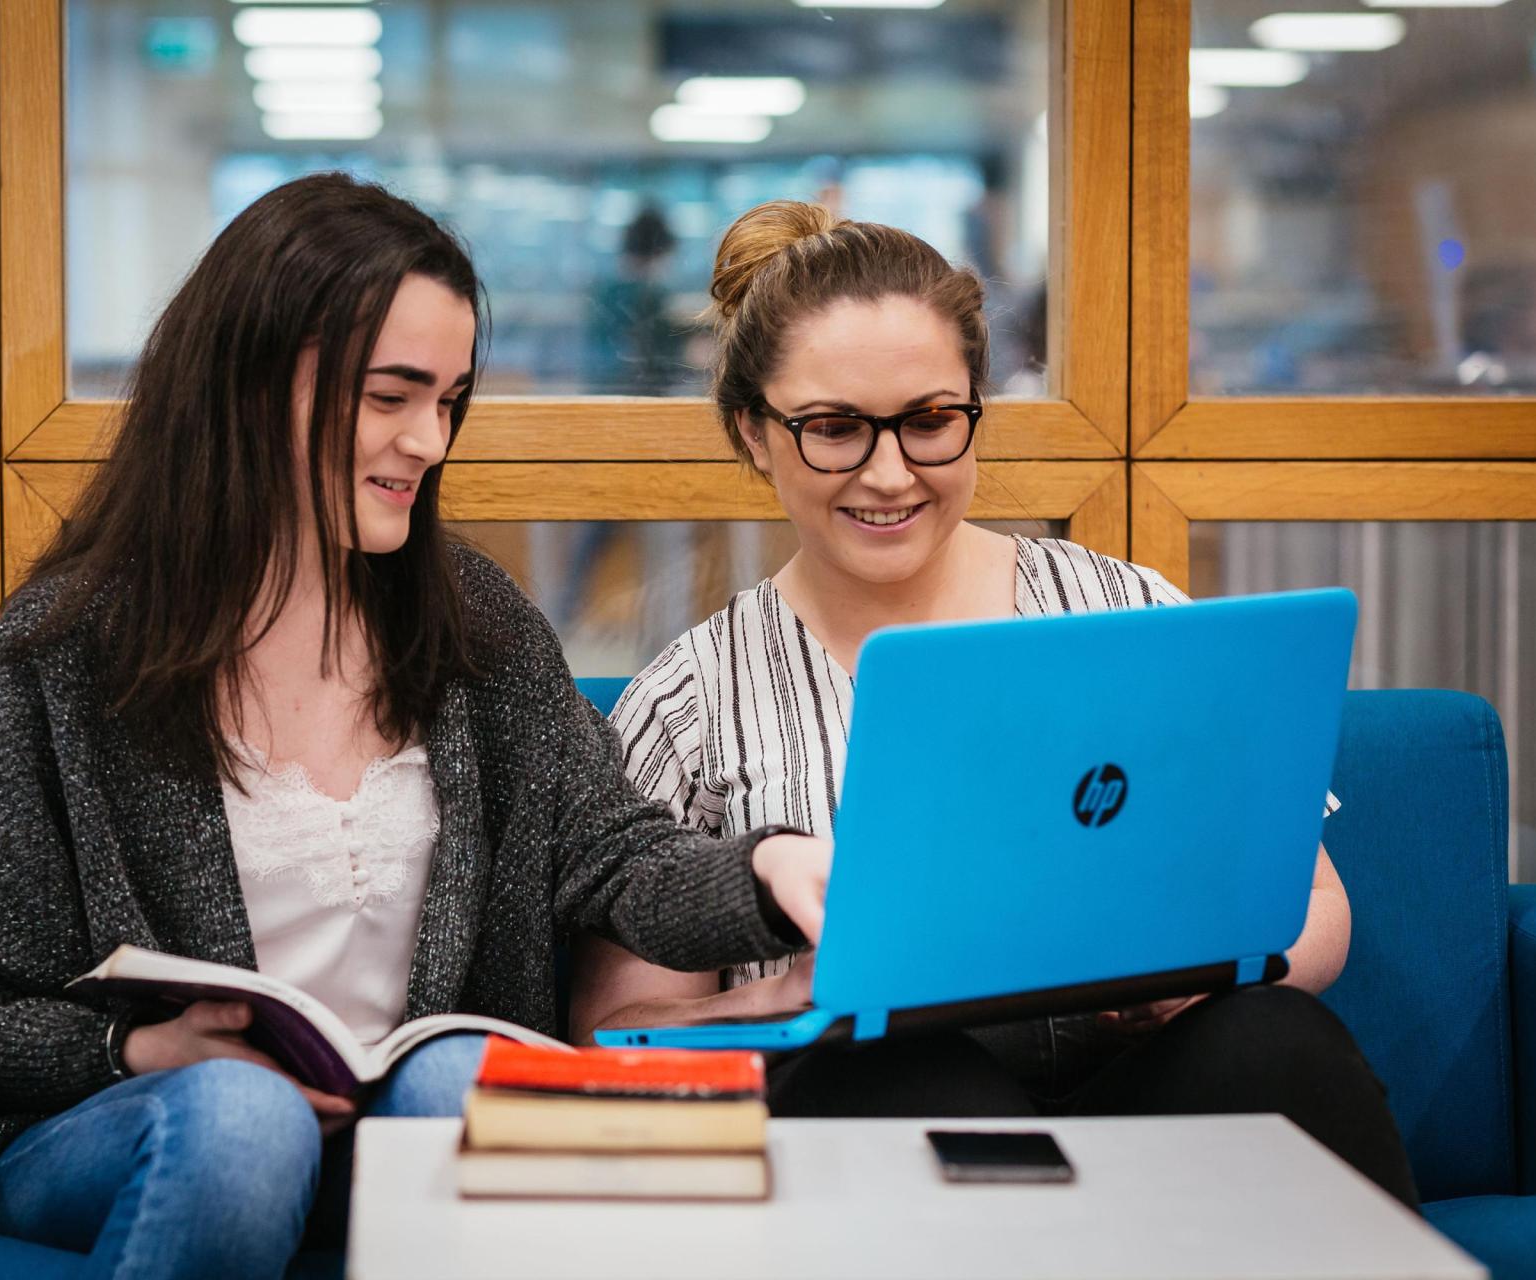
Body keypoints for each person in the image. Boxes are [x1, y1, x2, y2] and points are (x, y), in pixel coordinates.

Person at [0, 174, 830, 1277]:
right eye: (392, 395)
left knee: (463, 1084)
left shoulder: (475, 628)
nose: (429, 439)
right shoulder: (66, 650)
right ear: (253, 381)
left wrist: (768, 871)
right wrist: (148, 1045)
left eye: (448, 398)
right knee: (245, 1116)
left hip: (393, 1128)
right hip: (132, 1130)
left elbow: (613, 854)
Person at [570, 199, 1419, 1207]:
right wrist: (794, 995)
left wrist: (1205, 978)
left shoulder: (1131, 613)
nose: (890, 473)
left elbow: (1317, 907)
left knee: (1276, 1041)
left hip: (1144, 1089)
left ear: (977, 407)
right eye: (834, 429)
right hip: (874, 1118)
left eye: (931, 420)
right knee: (918, 1078)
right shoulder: (690, 695)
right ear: (755, 433)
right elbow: (614, 1026)